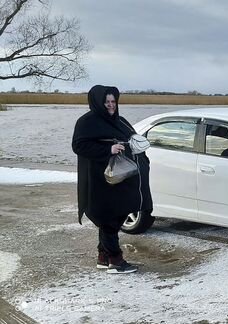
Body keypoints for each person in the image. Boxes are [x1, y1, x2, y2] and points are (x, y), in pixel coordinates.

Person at [72, 85, 153, 274]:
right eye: (106, 102)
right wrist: (108, 149)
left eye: (113, 102)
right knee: (108, 217)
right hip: (99, 179)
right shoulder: (86, 122)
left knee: (119, 213)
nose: (110, 106)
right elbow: (79, 146)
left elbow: (132, 138)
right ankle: (115, 260)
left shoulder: (119, 120)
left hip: (121, 178)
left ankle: (103, 257)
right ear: (98, 103)